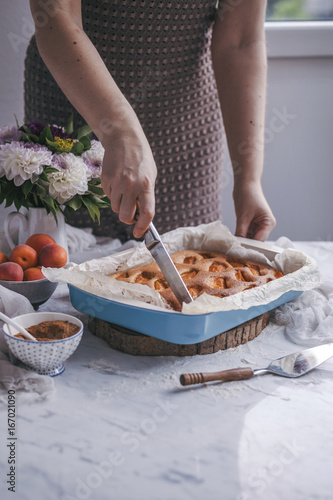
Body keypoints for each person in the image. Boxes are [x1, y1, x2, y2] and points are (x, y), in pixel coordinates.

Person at [26, 0, 276, 241]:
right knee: (63, 261)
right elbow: (57, 16)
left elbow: (241, 40)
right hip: (73, 110)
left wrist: (248, 180)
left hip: (184, 128)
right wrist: (120, 133)